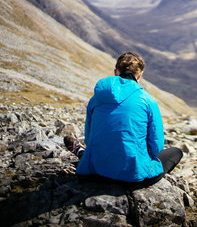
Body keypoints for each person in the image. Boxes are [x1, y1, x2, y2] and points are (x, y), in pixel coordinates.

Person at [64, 52, 183, 188]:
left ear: (116, 72)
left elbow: (90, 140)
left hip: (94, 174)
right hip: (133, 178)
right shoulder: (147, 100)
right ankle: (84, 154)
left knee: (96, 149)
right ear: (139, 76)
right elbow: (156, 147)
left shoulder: (95, 99)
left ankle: (82, 154)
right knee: (176, 152)